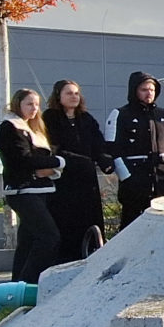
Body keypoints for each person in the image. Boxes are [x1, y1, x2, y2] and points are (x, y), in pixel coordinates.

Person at [0, 89, 65, 284]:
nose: (34, 109)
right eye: (29, 104)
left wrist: (53, 168)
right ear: (17, 104)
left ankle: (16, 286)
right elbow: (23, 160)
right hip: (23, 190)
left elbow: (42, 161)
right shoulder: (10, 127)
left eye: (37, 104)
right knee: (49, 237)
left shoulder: (34, 129)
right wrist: (58, 162)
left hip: (41, 190)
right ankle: (30, 284)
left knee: (27, 242)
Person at [45, 79, 110, 261]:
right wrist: (76, 160)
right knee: (66, 223)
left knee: (89, 220)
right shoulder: (50, 117)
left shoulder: (86, 119)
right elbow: (52, 147)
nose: (74, 97)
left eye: (76, 93)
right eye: (68, 93)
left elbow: (98, 144)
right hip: (64, 180)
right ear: (58, 96)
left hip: (86, 180)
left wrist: (104, 158)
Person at [106, 71, 164, 228]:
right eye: (144, 89)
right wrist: (126, 177)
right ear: (134, 90)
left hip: (162, 180)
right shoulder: (120, 114)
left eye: (152, 90)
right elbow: (113, 148)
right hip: (135, 181)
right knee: (133, 225)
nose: (149, 93)